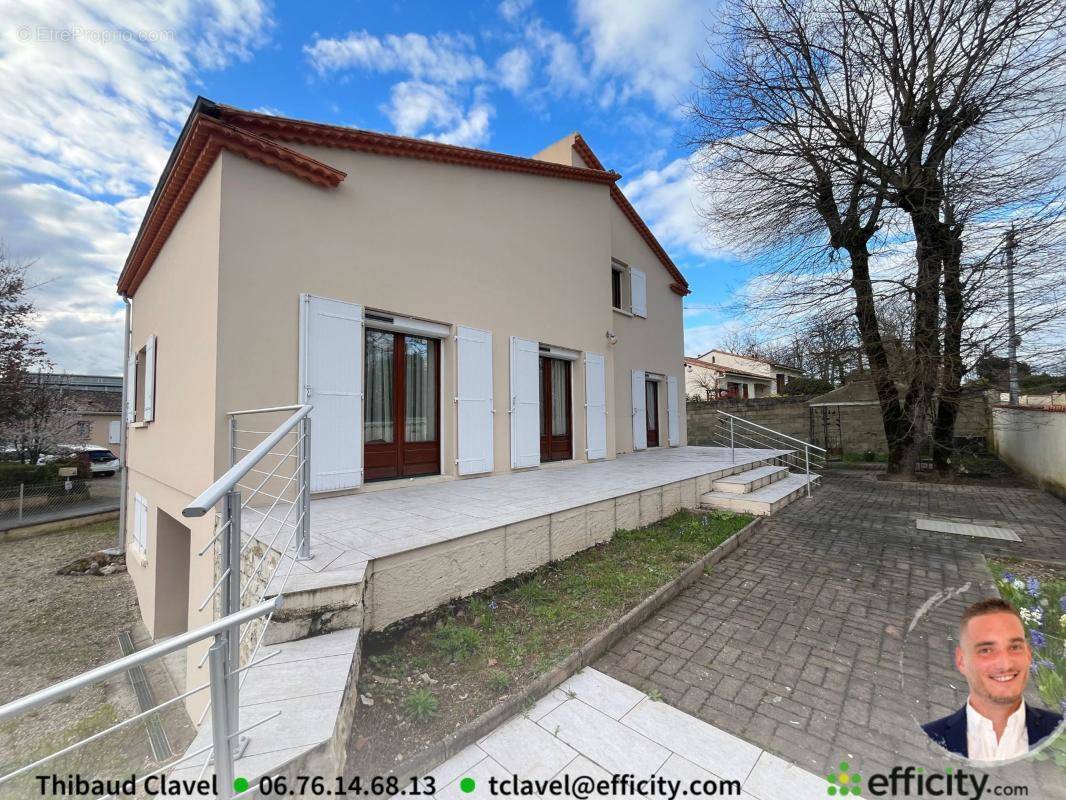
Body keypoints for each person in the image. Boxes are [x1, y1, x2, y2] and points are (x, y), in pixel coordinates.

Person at [923, 598, 1063, 761]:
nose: (1005, 664)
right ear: (961, 661)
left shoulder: (1059, 728)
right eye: (986, 650)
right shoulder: (928, 738)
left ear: (1029, 654)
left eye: (1015, 647)